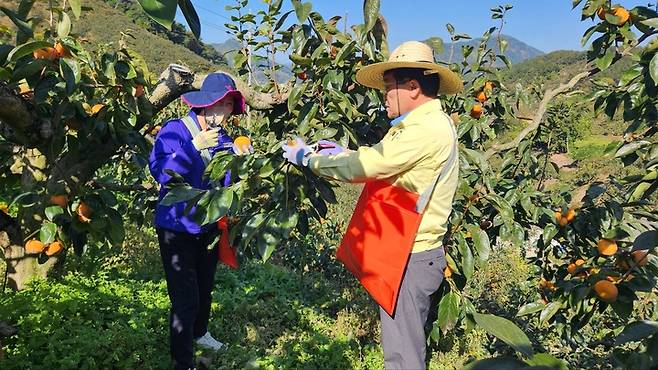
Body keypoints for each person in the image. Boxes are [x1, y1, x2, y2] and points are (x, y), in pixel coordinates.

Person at [282, 41, 463, 369]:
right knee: (402, 343)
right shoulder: (421, 125)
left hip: (410, 255)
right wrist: (340, 152)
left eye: (389, 87)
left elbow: (365, 169)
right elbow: (383, 161)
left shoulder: (425, 129)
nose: (384, 95)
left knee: (403, 355)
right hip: (408, 252)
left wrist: (308, 159)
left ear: (412, 87)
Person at [149, 72, 250, 370]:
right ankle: (183, 362)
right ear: (206, 104)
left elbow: (227, 182)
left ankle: (200, 332)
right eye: (223, 105)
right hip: (176, 228)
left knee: (205, 286)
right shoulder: (175, 131)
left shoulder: (224, 139)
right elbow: (163, 174)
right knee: (185, 298)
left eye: (231, 106)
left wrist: (242, 160)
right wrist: (193, 146)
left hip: (207, 226)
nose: (227, 112)